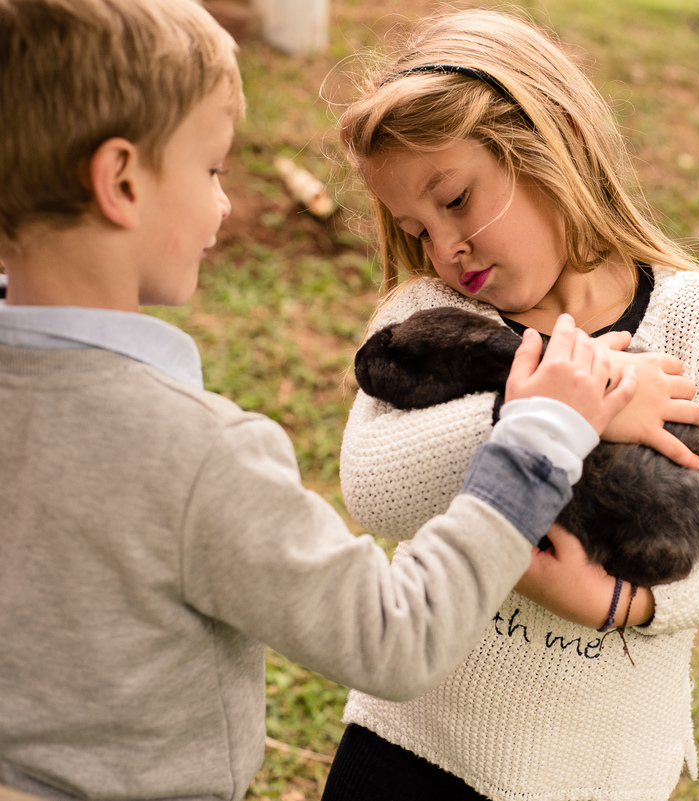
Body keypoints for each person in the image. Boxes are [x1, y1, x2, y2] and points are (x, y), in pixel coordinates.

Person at [0, 1, 642, 799]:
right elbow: (397, 637)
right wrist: (541, 431)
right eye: (210, 169)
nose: (225, 203)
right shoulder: (200, 459)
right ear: (122, 180)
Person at [325, 8, 699, 800]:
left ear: (549, 141)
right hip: (415, 744)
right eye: (417, 228)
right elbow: (372, 485)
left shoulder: (698, 321)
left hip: (601, 771)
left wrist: (627, 602)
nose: (443, 246)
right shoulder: (431, 322)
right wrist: (547, 412)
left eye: (455, 198)